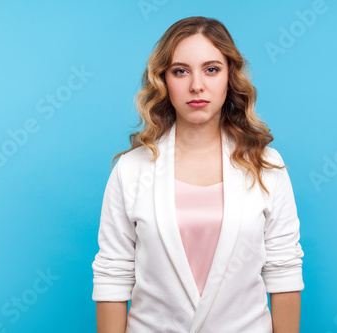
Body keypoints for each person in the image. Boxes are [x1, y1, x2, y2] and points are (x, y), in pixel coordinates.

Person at [92, 16, 304, 333]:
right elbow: (113, 274)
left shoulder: (266, 166)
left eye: (211, 69)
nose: (196, 85)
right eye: (181, 71)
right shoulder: (131, 169)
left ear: (230, 76)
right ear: (163, 79)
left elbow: (283, 269)